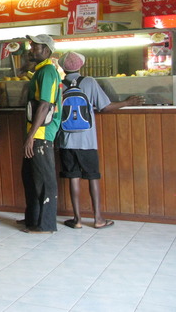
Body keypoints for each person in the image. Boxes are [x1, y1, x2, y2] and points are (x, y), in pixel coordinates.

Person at [57, 51, 144, 229]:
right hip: (87, 140)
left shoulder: (59, 85)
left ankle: (77, 220)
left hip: (66, 141)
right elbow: (105, 107)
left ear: (63, 68)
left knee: (73, 178)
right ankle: (98, 219)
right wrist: (127, 103)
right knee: (92, 177)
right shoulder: (89, 82)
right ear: (81, 65)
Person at [21, 34, 62, 233]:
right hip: (36, 132)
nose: (31, 50)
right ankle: (33, 218)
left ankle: (46, 224)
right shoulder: (40, 70)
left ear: (46, 50)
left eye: (35, 47)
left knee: (44, 180)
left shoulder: (47, 71)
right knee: (30, 177)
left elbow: (45, 105)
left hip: (42, 134)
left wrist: (31, 136)